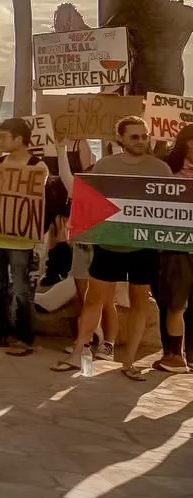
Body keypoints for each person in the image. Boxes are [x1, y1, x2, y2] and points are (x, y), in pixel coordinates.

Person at [56, 117, 172, 379]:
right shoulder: (106, 166)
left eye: (144, 136)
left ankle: (129, 362)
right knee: (93, 301)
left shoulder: (161, 169)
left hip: (145, 248)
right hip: (109, 245)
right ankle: (77, 355)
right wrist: (77, 231)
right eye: (135, 137)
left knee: (140, 303)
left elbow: (172, 207)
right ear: (120, 139)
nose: (141, 141)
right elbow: (87, 200)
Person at [0, 118, 47, 356]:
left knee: (21, 290)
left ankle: (24, 338)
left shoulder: (38, 167)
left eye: (4, 137)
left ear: (19, 139)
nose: (0, 141)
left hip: (21, 241)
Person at [155, 127, 193, 372]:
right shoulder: (165, 168)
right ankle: (173, 353)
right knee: (171, 301)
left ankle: (185, 356)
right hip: (173, 245)